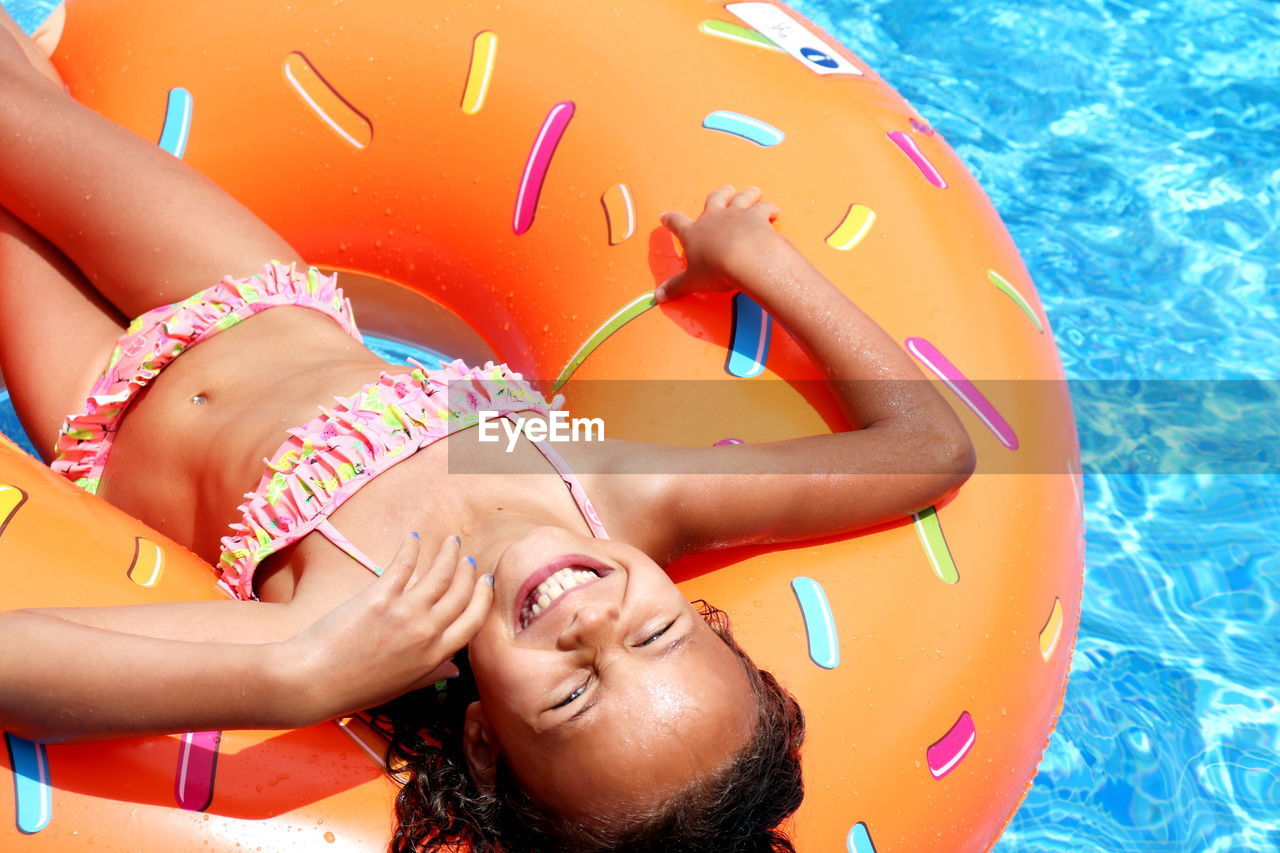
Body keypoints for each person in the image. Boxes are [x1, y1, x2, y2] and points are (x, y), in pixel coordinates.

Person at [0, 12, 974, 852]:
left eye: (568, 695)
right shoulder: (628, 490)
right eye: (655, 632)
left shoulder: (368, 626)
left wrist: (299, 675)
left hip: (102, 406)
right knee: (20, 120)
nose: (594, 626)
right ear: (702, 611)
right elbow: (929, 451)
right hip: (248, 292)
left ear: (481, 739)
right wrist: (763, 262)